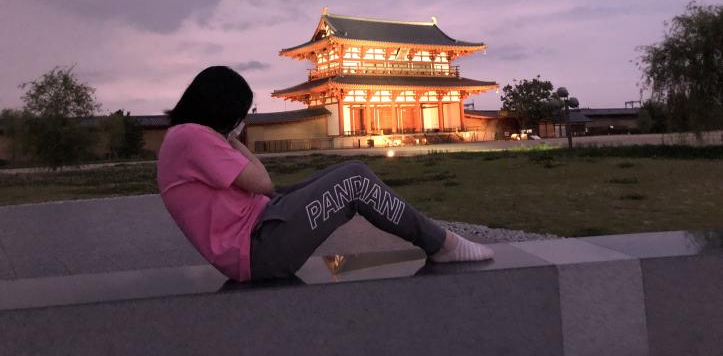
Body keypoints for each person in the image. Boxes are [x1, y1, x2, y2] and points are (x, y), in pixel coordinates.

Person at [157, 66, 494, 282]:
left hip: (262, 226)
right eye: (238, 115)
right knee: (354, 182)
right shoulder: (191, 136)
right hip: (258, 248)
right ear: (222, 108)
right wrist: (234, 141)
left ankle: (440, 240)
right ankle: (442, 244)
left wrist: (228, 139)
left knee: (348, 172)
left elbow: (260, 190)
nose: (239, 123)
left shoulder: (182, 138)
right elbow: (262, 182)